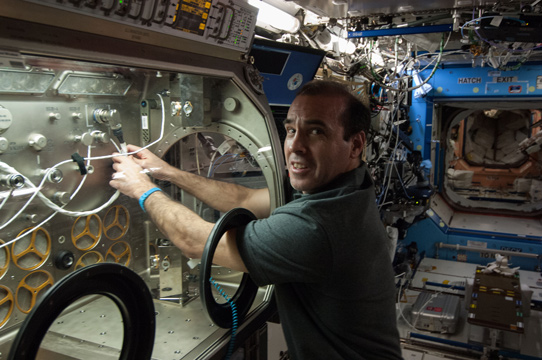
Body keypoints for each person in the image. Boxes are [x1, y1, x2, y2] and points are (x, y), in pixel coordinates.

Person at [110, 79, 403, 360]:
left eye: (316, 132)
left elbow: (194, 242)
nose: (295, 146)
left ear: (355, 145)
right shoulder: (347, 188)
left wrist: (141, 188)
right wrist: (167, 172)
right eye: (290, 130)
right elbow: (244, 200)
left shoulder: (318, 227)